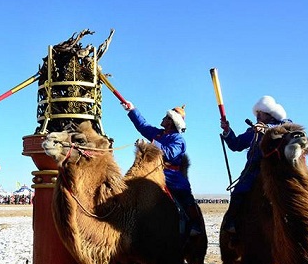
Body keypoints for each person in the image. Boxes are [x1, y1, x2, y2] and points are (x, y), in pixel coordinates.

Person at [121, 100, 203, 238]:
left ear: (171, 121)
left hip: (171, 174)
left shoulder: (178, 139)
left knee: (185, 195)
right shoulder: (159, 134)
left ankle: (195, 224)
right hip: (153, 169)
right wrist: (132, 109)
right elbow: (143, 126)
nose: (163, 119)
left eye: (166, 117)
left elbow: (169, 153)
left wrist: (150, 144)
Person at [220, 95, 290, 237]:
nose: (257, 116)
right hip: (252, 170)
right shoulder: (252, 131)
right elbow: (236, 145)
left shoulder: (282, 126)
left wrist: (266, 129)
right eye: (257, 113)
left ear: (270, 115)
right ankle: (231, 224)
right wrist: (227, 131)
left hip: (274, 170)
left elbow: (286, 127)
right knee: (238, 192)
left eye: (261, 113)